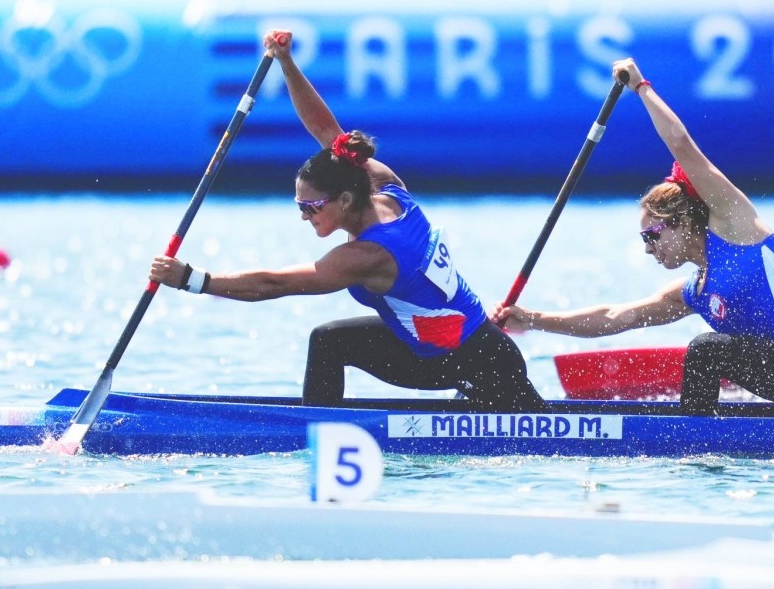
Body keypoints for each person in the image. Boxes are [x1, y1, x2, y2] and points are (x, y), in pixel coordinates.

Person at [150, 29, 547, 413]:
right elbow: (327, 131)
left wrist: (191, 279)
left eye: (311, 207)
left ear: (343, 199)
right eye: (299, 207)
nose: (305, 217)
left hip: (477, 364)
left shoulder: (367, 255)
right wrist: (286, 62)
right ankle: (321, 424)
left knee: (331, 343)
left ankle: (317, 434)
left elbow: (275, 284)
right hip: (457, 348)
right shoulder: (384, 186)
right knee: (328, 340)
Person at [493, 58, 774, 418]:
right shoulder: (693, 291)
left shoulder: (735, 227)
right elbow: (616, 317)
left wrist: (640, 86)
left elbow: (681, 144)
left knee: (707, 349)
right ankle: (708, 435)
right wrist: (532, 319)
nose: (648, 249)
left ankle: (694, 444)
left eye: (652, 236)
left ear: (681, 222)